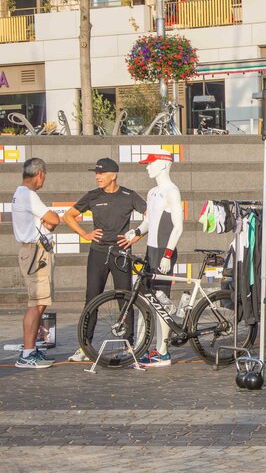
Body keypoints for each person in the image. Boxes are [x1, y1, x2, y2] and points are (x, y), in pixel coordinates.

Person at [63, 158, 147, 362]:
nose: (97, 177)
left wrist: (137, 235)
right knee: (91, 298)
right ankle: (85, 347)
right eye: (96, 173)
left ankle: (129, 344)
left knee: (125, 299)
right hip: (98, 253)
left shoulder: (129, 195)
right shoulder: (93, 195)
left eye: (101, 173)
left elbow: (150, 215)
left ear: (113, 175)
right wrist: (85, 234)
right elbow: (68, 216)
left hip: (121, 254)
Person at [123, 153, 184, 367]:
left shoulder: (172, 191)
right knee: (147, 299)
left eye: (150, 163)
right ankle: (143, 347)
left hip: (163, 252)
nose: (147, 167)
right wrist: (136, 231)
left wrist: (168, 253)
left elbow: (179, 226)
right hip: (151, 250)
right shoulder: (152, 192)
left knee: (161, 300)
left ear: (163, 164)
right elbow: (149, 220)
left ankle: (163, 351)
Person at [12, 158, 60, 369]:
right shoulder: (28, 195)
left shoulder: (20, 193)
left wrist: (44, 222)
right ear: (39, 174)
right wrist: (46, 221)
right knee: (36, 304)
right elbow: (54, 219)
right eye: (45, 176)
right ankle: (28, 353)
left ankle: (30, 350)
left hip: (33, 251)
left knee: (39, 303)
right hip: (35, 254)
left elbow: (48, 222)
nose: (44, 180)